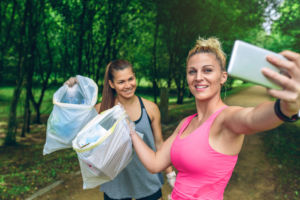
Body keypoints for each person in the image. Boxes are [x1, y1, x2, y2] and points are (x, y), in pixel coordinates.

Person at [129, 37, 300, 200]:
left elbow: (251, 118)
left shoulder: (226, 119)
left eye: (208, 70)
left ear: (223, 77)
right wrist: (130, 131)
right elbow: (155, 163)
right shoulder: (186, 123)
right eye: (192, 72)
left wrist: (287, 108)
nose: (198, 77)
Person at [65, 59, 176, 200]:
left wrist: (170, 174)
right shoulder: (102, 110)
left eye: (131, 79)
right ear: (111, 84)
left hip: (147, 180)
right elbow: (74, 123)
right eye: (121, 82)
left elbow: (159, 144)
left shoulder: (150, 108)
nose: (128, 85)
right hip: (116, 183)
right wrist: (72, 92)